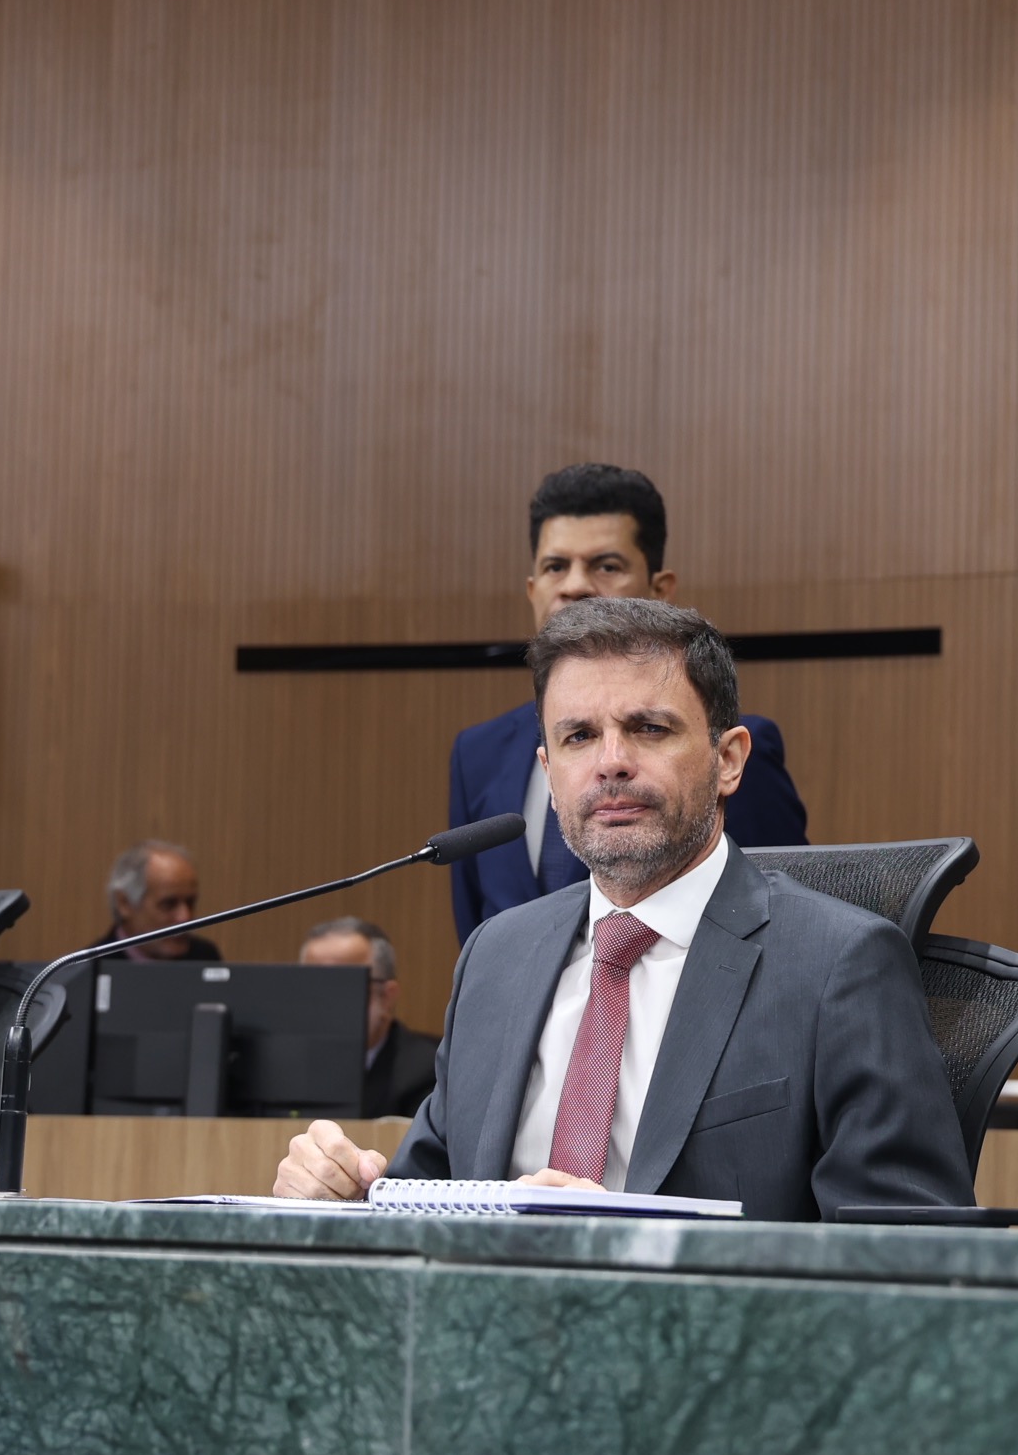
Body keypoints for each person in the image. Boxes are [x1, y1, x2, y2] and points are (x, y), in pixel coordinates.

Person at [278, 598, 968, 1219]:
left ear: (728, 760)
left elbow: (903, 1250)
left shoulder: (839, 964)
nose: (611, 762)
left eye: (649, 728)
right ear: (549, 775)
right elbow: (425, 1197)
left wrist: (626, 1242)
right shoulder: (496, 956)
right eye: (579, 737)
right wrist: (348, 1195)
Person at [448, 463, 808, 942]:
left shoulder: (721, 749)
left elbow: (784, 922)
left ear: (661, 591)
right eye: (556, 567)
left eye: (606, 566)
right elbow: (476, 934)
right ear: (533, 590)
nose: (574, 585)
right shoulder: (478, 753)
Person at [300, 916, 439, 1117]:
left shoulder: (428, 1070)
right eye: (311, 986)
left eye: (340, 986)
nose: (323, 1001)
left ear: (387, 997)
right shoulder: (282, 1067)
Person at [102, 840, 221, 960]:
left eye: (190, 903)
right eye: (169, 904)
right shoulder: (94, 964)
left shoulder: (207, 958)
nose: (185, 917)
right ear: (125, 903)